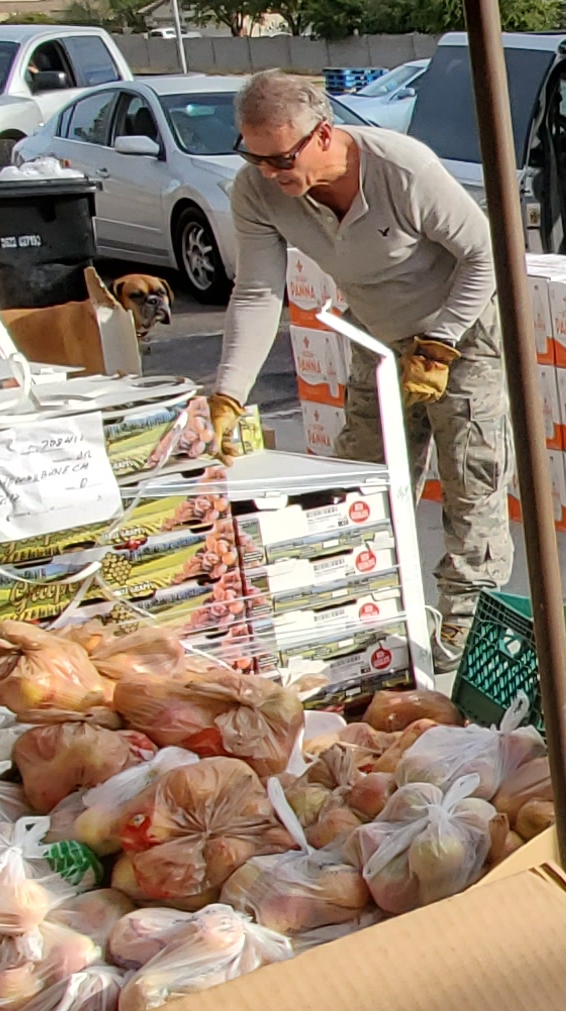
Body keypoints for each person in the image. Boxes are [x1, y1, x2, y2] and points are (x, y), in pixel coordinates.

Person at [182, 70, 517, 627]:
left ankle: (466, 626)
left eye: (282, 159)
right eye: (254, 157)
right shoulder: (258, 190)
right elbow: (260, 291)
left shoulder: (402, 169)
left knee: (471, 477)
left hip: (461, 330)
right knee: (364, 477)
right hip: (377, 333)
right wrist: (228, 394)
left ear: (321, 134)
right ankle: (370, 612)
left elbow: (486, 255)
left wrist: (440, 343)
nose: (269, 172)